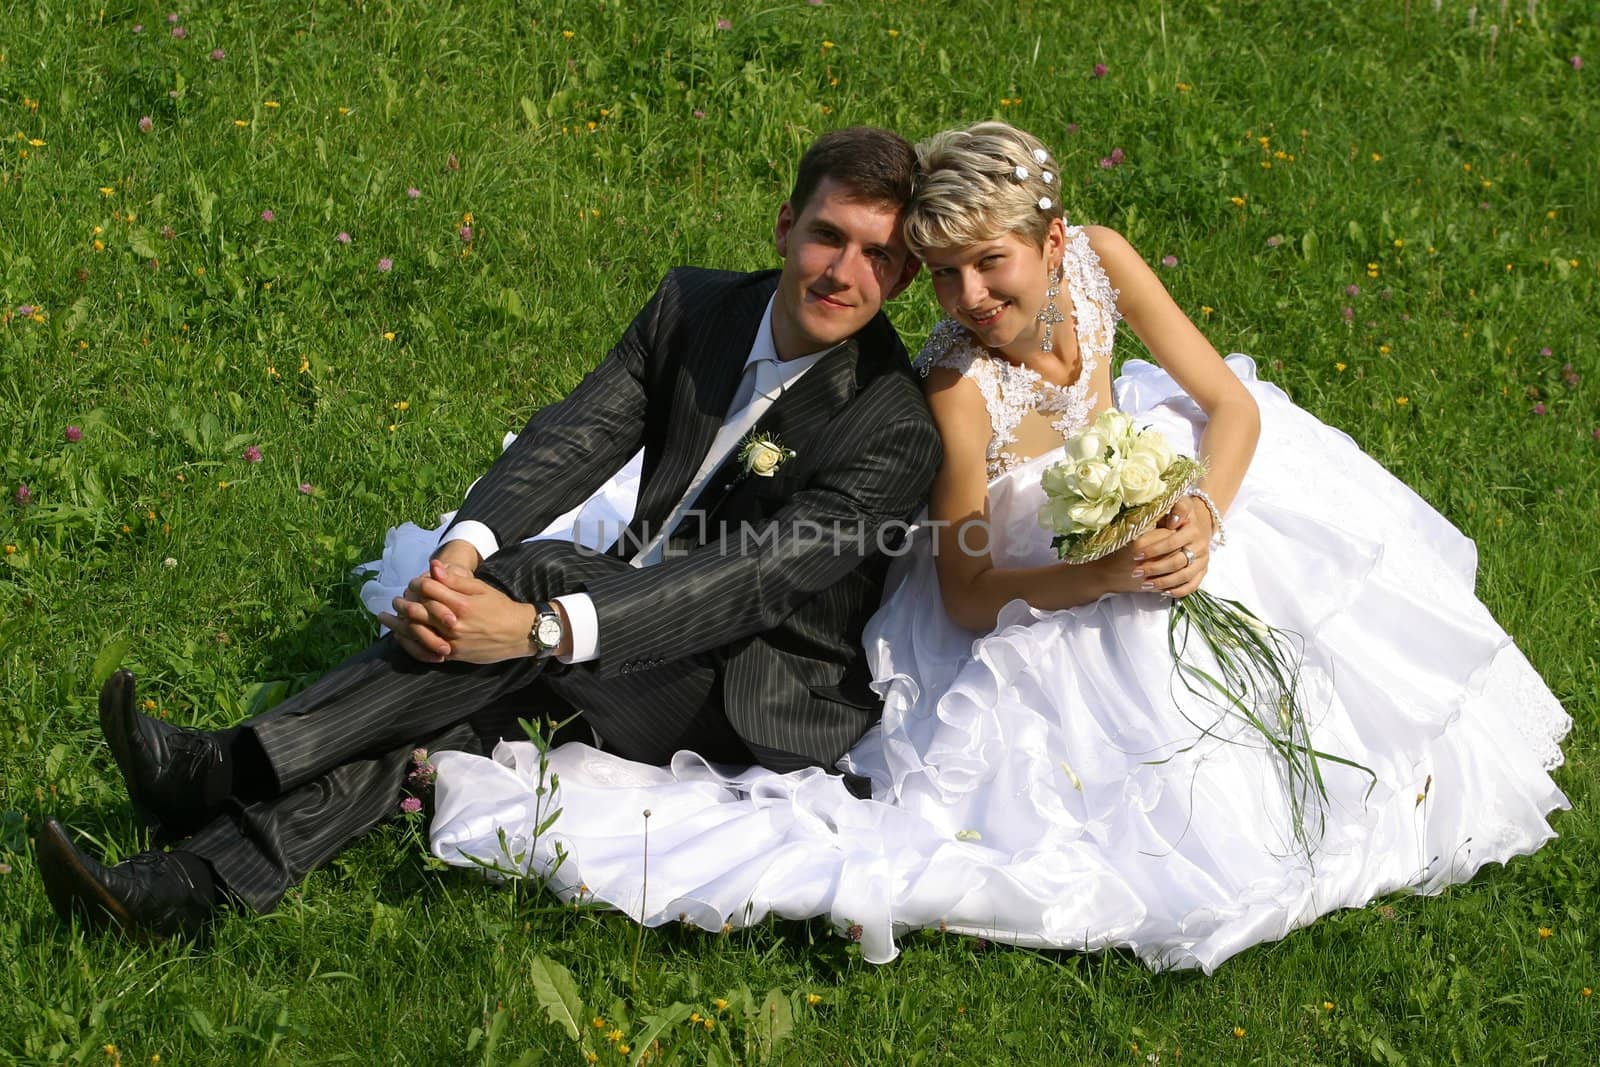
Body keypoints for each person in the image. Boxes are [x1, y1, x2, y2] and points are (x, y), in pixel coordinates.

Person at [414, 121, 1571, 973]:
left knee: (1309, 628)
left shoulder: (1103, 261)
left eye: (993, 266)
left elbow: (1232, 409)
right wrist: (1108, 570)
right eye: (947, 272)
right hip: (1025, 574)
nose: (968, 295)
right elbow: (968, 591)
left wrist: (1200, 514)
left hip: (1159, 496)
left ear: (1050, 238)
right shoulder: (954, 390)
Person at [35, 126, 942, 940]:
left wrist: (541, 628)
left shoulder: (892, 427)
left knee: (534, 582)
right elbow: (576, 434)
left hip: (757, 680)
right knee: (453, 704)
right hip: (634, 606)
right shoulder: (695, 306)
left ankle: (219, 765)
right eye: (829, 235)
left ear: (900, 277)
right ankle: (187, 883)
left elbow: (747, 585)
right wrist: (459, 556)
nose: (843, 271)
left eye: (875, 255)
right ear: (786, 226)